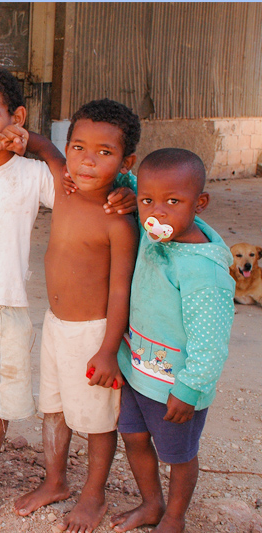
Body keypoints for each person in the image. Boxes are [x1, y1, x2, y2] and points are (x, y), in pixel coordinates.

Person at [0, 70, 138, 525]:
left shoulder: (35, 176)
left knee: (0, 401)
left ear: (17, 118)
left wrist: (129, 193)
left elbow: (79, 182)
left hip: (10, 310)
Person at [14, 99, 141, 533]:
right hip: (54, 325)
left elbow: (121, 288)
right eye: (79, 148)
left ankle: (93, 494)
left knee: (97, 421)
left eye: (104, 153)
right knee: (54, 410)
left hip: (92, 335)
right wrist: (8, 133)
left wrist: (108, 349)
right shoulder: (63, 184)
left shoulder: (118, 221)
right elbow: (45, 147)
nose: (87, 161)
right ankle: (55, 481)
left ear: (126, 162)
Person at [110, 148, 234, 533]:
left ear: (200, 203)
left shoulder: (203, 272)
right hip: (137, 369)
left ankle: (175, 518)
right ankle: (151, 505)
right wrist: (127, 191)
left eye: (173, 202)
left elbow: (210, 343)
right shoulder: (155, 231)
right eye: (148, 201)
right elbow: (133, 183)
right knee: (132, 436)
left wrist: (191, 388)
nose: (156, 213)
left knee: (178, 456)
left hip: (176, 388)